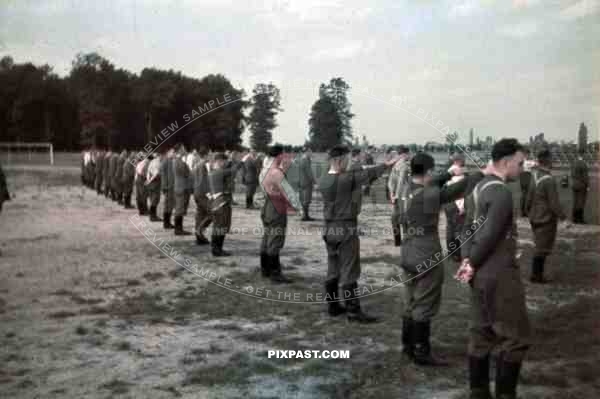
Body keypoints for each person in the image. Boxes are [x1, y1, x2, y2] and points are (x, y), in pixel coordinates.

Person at [456, 138, 530, 399]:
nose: (522, 168)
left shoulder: (477, 188)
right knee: (515, 338)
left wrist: (466, 261)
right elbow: (488, 235)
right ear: (506, 162)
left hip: (478, 274)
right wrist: (472, 262)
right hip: (498, 273)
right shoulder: (500, 192)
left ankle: (478, 392)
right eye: (520, 163)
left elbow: (465, 229)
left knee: (481, 332)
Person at [399, 152, 469, 366]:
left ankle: (408, 345)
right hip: (426, 251)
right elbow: (456, 190)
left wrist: (447, 174)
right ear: (428, 171)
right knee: (425, 300)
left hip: (408, 248)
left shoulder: (407, 188)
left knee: (410, 299)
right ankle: (421, 350)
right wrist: (481, 175)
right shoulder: (429, 194)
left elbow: (435, 183)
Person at [318, 145, 399, 323]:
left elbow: (358, 172)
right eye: (346, 159)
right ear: (339, 160)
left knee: (333, 268)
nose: (349, 162)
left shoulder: (324, 178)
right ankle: (353, 312)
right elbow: (370, 174)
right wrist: (388, 164)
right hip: (345, 227)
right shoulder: (346, 179)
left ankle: (333, 306)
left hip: (328, 227)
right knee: (350, 270)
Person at [525, 149, 567, 283]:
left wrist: (528, 211)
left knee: (539, 245)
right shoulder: (549, 180)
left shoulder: (535, 175)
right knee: (542, 247)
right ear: (547, 161)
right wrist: (563, 218)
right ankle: (536, 275)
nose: (553, 161)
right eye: (551, 159)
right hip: (545, 218)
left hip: (534, 216)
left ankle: (536, 274)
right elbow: (554, 203)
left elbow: (529, 197)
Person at [259, 145, 296, 283]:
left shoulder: (265, 169)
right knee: (275, 239)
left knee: (267, 238)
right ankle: (275, 273)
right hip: (275, 206)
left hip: (266, 205)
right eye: (284, 154)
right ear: (279, 155)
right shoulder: (276, 172)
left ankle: (265, 269)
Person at [207, 152, 243, 256]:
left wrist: (230, 161)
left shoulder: (212, 172)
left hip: (215, 202)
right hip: (222, 202)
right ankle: (217, 250)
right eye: (224, 161)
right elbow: (234, 169)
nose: (225, 163)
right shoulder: (220, 172)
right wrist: (239, 160)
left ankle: (215, 249)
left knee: (217, 226)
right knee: (221, 226)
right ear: (220, 161)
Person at [444, 152, 467, 262]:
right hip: (455, 204)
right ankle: (456, 253)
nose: (465, 160)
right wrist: (462, 207)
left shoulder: (448, 170)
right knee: (458, 229)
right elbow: (459, 192)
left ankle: (450, 251)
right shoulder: (458, 172)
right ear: (458, 160)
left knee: (450, 228)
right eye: (463, 159)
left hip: (447, 203)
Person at [388, 145, 411, 247]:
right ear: (404, 154)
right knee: (405, 218)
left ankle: (397, 241)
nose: (409, 156)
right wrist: (397, 195)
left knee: (394, 218)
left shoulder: (395, 165)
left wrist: (392, 194)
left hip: (395, 196)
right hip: (403, 195)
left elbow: (390, 181)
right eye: (408, 154)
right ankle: (406, 241)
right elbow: (401, 181)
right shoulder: (405, 166)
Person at [192, 147, 212, 245]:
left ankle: (199, 238)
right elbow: (204, 181)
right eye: (210, 154)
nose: (211, 155)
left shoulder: (197, 165)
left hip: (197, 192)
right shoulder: (203, 165)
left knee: (200, 215)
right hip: (203, 193)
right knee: (212, 213)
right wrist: (209, 194)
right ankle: (199, 231)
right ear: (206, 155)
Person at [298, 147, 316, 221]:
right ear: (306, 152)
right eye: (310, 151)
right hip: (306, 182)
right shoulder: (305, 160)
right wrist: (314, 181)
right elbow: (309, 172)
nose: (311, 153)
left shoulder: (301, 159)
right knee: (307, 199)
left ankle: (305, 215)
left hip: (302, 181)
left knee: (304, 199)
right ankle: (305, 216)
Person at [160, 146, 176, 229]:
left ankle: (167, 222)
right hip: (168, 187)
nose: (174, 154)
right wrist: (165, 186)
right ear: (168, 152)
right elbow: (163, 175)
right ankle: (166, 223)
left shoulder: (168, 161)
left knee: (169, 205)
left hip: (170, 186)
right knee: (168, 205)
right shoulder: (166, 161)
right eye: (172, 152)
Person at [571, 151, 589, 224]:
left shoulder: (574, 163)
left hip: (574, 184)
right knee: (581, 202)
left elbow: (571, 174)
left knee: (575, 201)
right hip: (581, 185)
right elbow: (585, 177)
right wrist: (587, 185)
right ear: (583, 154)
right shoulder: (583, 164)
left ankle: (574, 218)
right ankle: (580, 219)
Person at [146, 153, 162, 222]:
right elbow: (156, 174)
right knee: (155, 200)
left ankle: (153, 215)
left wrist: (148, 180)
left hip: (151, 183)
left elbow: (148, 172)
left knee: (153, 199)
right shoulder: (157, 163)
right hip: (155, 183)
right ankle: (153, 216)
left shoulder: (152, 162)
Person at [519, 148, 535, 217]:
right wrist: (533, 157)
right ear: (527, 154)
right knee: (525, 194)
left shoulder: (522, 161)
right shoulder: (528, 162)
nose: (529, 155)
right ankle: (524, 211)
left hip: (522, 176)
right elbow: (536, 164)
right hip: (526, 176)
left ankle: (523, 211)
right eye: (529, 154)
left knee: (523, 194)